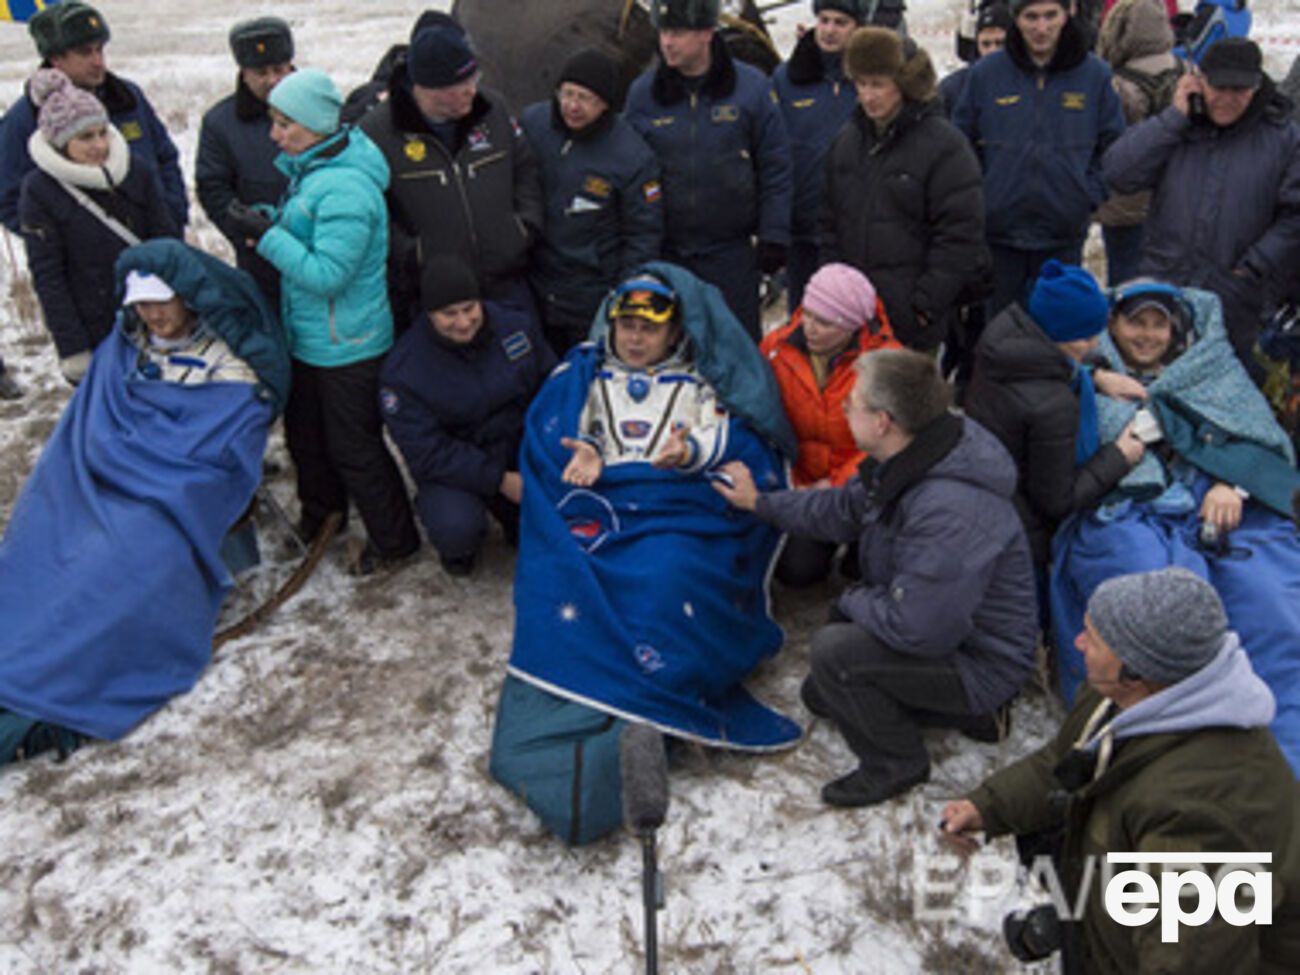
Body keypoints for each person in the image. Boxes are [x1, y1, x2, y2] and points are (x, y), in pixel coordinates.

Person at [490, 264, 800, 844]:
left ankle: (659, 690)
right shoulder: (586, 376)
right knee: (571, 578)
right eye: (626, 326)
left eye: (648, 330)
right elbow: (569, 432)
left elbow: (720, 440)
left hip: (675, 510)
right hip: (605, 510)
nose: (635, 338)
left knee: (667, 580)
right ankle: (597, 703)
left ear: (674, 333)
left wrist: (687, 456)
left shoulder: (698, 383)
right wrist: (583, 453)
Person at [0, 238, 289, 767]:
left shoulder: (232, 365)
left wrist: (148, 466)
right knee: (49, 535)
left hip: (169, 496)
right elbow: (88, 422)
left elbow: (222, 447)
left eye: (163, 301)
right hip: (94, 481)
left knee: (123, 562)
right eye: (142, 304)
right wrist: (98, 462)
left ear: (189, 298)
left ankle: (61, 682)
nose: (153, 315)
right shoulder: (126, 344)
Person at [714, 348, 1038, 806]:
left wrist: (852, 604)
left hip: (979, 661)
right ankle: (961, 713)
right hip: (941, 626)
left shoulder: (948, 510)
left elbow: (918, 630)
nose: (844, 409)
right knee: (822, 692)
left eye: (853, 403)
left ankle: (897, 762)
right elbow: (840, 509)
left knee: (835, 654)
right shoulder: (914, 454)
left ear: (882, 421)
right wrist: (761, 504)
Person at [941, 568, 1300, 972]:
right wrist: (989, 807)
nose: (1077, 643)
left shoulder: (1197, 813)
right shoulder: (1123, 700)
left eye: (1093, 638)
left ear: (1137, 669)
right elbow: (1067, 762)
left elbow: (1188, 961)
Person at [1050, 280, 1300, 772]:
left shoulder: (1210, 370)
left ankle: (1283, 759)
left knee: (1271, 602)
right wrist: (1093, 380)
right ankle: (1174, 759)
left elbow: (1257, 441)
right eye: (1134, 321)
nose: (1147, 335)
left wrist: (1234, 484)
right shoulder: (1082, 371)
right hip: (1128, 509)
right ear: (1111, 324)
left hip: (1216, 507)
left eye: (1158, 323)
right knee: (1165, 607)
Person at [229, 68, 420, 574]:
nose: (275, 134)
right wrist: (272, 220)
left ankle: (395, 540)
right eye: (274, 121)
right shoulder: (312, 171)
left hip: (349, 343)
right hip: (313, 337)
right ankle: (323, 517)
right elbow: (309, 235)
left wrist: (268, 238)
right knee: (308, 439)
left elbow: (329, 274)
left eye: (285, 124)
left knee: (355, 448)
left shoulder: (347, 190)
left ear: (315, 124)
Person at [1103, 36, 1300, 372]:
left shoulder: (1282, 137)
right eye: (1217, 87)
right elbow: (1117, 172)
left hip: (1238, 298)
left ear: (1256, 87)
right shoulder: (1178, 127)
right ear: (1198, 81)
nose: (1226, 99)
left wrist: (1253, 267)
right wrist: (1173, 118)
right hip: (1166, 289)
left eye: (1238, 91)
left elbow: (1295, 216)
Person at [624, 0, 792, 339]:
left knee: (735, 350)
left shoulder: (751, 89)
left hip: (729, 254)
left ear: (706, 33)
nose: (667, 42)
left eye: (678, 32)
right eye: (663, 31)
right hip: (666, 253)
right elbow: (625, 171)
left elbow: (775, 164)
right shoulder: (643, 95)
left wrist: (774, 233)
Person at [379, 258, 555, 576]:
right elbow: (427, 451)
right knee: (456, 527)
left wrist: (546, 452)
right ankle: (459, 546)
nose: (462, 322)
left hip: (519, 448)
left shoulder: (516, 326)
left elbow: (552, 389)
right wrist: (499, 480)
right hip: (458, 464)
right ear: (428, 313)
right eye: (449, 314)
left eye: (469, 308)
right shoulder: (405, 370)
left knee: (550, 521)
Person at [358, 23, 543, 326]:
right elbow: (369, 210)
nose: (473, 89)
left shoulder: (492, 109)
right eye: (461, 84)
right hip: (435, 302)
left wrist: (524, 226)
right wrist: (411, 254)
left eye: (474, 77)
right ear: (428, 89)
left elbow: (524, 167)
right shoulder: (376, 134)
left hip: (507, 285)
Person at [965, 260, 1146, 569]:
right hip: (1026, 540)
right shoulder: (1053, 405)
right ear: (1057, 333)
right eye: (1084, 337)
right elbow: (1057, 501)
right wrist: (1120, 455)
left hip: (984, 499)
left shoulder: (1001, 343)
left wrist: (1094, 376)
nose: (1094, 344)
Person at [820, 28, 988, 353]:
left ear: (905, 84)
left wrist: (925, 305)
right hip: (854, 315)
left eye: (879, 84)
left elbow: (960, 234)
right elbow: (829, 223)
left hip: (911, 321)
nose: (869, 95)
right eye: (862, 84)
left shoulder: (944, 146)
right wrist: (833, 287)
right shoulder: (846, 142)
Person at [952, 0, 1125, 317]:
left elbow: (1113, 146)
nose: (1041, 28)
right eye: (1031, 17)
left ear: (1067, 13)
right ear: (1016, 19)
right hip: (1000, 234)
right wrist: (981, 194)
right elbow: (959, 144)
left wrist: (1088, 194)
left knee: (1057, 336)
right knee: (1002, 337)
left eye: (1050, 16)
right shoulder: (987, 74)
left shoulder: (1094, 75)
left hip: (1062, 233)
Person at [18, 68, 176, 386]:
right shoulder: (39, 191)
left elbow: (167, 241)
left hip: (152, 316)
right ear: (60, 143)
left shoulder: (136, 170)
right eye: (85, 137)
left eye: (103, 132)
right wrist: (73, 349)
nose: (99, 145)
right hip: (93, 324)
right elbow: (49, 276)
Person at [760, 262, 900, 586]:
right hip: (804, 487)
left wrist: (837, 484)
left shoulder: (888, 365)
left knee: (866, 570)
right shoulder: (776, 351)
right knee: (797, 573)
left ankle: (861, 546)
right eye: (807, 314)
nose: (809, 327)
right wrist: (793, 485)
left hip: (867, 489)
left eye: (824, 322)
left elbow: (893, 445)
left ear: (852, 326)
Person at [520, 48, 663, 355]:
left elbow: (643, 233)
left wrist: (622, 294)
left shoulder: (631, 156)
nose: (572, 106)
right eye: (567, 94)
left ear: (605, 105)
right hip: (536, 284)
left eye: (585, 98)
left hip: (590, 292)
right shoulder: (534, 125)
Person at [0, 2, 186, 232]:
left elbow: (165, 158)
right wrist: (64, 246)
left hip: (158, 248)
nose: (97, 61)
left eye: (100, 50)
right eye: (85, 53)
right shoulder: (24, 120)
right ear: (56, 59)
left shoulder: (127, 98)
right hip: (87, 265)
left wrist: (172, 216)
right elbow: (10, 201)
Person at [771, 1, 866, 312]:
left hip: (859, 231)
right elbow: (773, 153)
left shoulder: (872, 81)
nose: (829, 30)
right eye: (824, 20)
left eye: (840, 22)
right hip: (804, 231)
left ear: (857, 27)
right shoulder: (787, 79)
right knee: (805, 320)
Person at [195, 16, 295, 310]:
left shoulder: (321, 110)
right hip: (261, 260)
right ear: (243, 72)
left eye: (279, 69)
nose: (272, 80)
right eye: (261, 72)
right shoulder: (220, 123)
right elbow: (212, 187)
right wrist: (244, 229)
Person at [1093, 0, 1181, 288]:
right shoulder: (1186, 71)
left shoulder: (1115, 83)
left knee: (1126, 280)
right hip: (1176, 196)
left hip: (1124, 202)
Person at [938, 3, 1013, 116]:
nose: (992, 51)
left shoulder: (1030, 83)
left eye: (1000, 43)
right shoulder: (953, 90)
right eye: (986, 44)